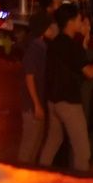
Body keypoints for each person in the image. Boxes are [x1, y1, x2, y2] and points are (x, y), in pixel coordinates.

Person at [38, 3, 93, 172]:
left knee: (53, 141)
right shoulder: (71, 45)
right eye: (80, 19)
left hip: (53, 100)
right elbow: (89, 72)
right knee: (82, 149)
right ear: (71, 22)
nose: (82, 23)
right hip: (69, 101)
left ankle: (40, 173)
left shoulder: (55, 43)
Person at [18, 11, 58, 164]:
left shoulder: (40, 46)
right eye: (49, 27)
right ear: (43, 29)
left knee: (34, 144)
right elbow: (29, 77)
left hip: (35, 103)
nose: (52, 30)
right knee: (29, 145)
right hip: (31, 105)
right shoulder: (35, 49)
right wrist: (36, 105)